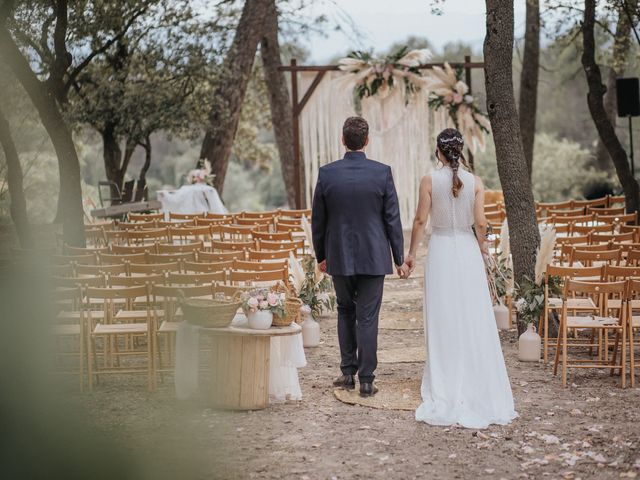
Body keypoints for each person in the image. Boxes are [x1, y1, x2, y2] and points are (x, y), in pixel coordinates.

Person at [403, 128, 517, 428]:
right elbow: (481, 223)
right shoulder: (475, 182)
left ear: (439, 152)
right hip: (466, 251)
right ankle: (472, 374)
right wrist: (486, 245)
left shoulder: (429, 180)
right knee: (471, 314)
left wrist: (410, 254)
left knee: (443, 316)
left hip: (441, 250)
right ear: (460, 151)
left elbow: (419, 220)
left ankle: (447, 376)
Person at [311, 116, 405, 398]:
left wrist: (321, 255)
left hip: (339, 255)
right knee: (367, 317)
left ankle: (348, 372)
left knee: (344, 311)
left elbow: (318, 220)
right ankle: (366, 380)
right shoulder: (382, 173)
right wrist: (399, 257)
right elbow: (392, 219)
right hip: (374, 256)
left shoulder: (327, 173)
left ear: (343, 140)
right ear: (366, 141)